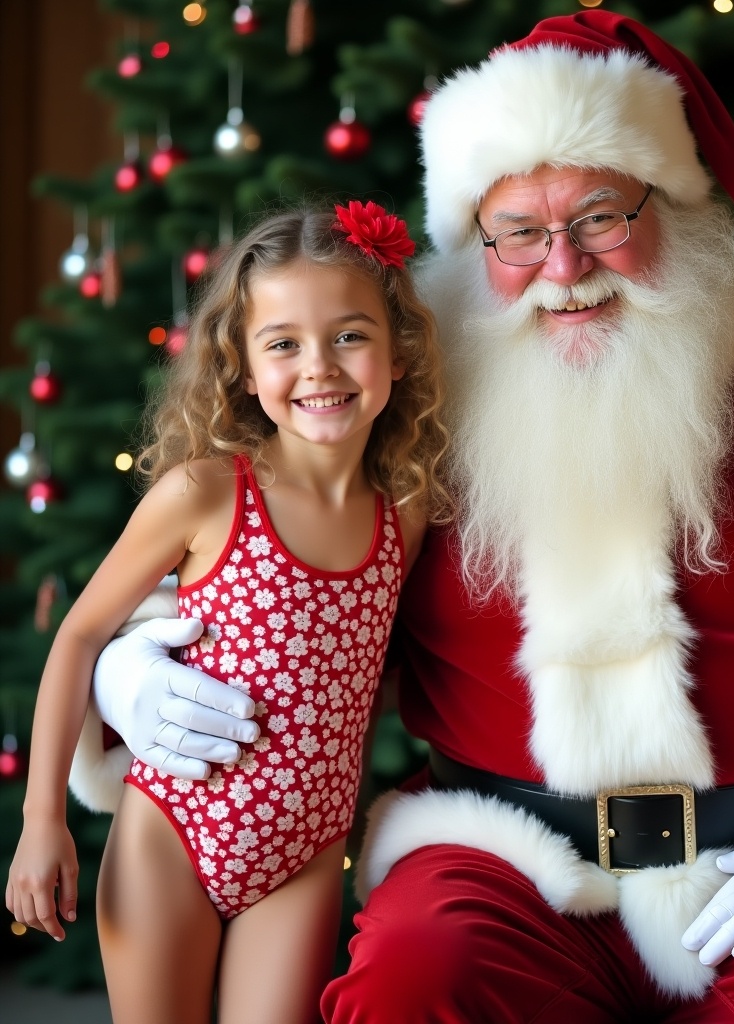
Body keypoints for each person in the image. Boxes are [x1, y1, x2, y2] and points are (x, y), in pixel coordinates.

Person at [74, 11, 734, 1024]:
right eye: (519, 232)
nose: (563, 267)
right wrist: (132, 663)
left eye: (603, 217)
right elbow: (271, 549)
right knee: (411, 972)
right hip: (503, 865)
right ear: (473, 238)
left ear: (676, 204)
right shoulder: (416, 387)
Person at [6, 201, 448, 1024]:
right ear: (243, 368)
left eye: (350, 335)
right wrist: (43, 824)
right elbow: (78, 638)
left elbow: (367, 669)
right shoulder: (207, 493)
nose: (320, 367)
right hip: (169, 835)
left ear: (397, 352)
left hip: (307, 856)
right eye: (283, 344)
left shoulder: (407, 515)